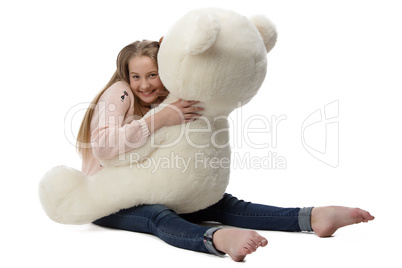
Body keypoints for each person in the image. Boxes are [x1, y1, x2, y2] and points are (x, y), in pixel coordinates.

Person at [76, 40, 375, 262]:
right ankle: (216, 238)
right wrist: (160, 119)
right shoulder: (121, 93)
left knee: (222, 204)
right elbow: (104, 147)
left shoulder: (167, 98)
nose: (144, 84)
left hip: (147, 188)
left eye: (153, 74)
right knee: (158, 216)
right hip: (107, 200)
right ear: (125, 76)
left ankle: (311, 217)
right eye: (136, 76)